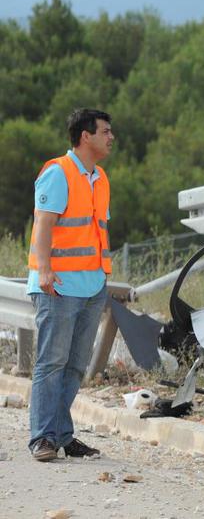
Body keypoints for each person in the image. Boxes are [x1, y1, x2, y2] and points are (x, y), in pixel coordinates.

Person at [26, 109, 115, 461]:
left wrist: (102, 277)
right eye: (106, 131)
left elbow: (97, 230)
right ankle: (43, 438)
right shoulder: (57, 172)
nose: (111, 137)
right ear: (85, 136)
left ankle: (62, 434)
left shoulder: (101, 177)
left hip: (92, 285)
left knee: (76, 365)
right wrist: (44, 270)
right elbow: (44, 225)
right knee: (51, 363)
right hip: (58, 285)